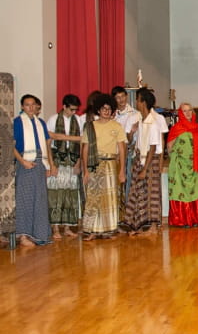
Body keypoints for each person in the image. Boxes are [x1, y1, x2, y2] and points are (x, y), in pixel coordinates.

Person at [80, 93, 127, 240]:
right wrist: (85, 170)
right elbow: (85, 149)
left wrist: (122, 171)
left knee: (110, 199)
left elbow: (122, 149)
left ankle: (108, 230)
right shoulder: (90, 127)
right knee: (93, 198)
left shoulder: (117, 126)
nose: (106, 111)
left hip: (111, 165)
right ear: (98, 110)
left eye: (109, 109)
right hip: (94, 165)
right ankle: (92, 231)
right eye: (103, 109)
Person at [13, 94, 56, 246]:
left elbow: (46, 145)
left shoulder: (41, 123)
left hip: (40, 164)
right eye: (27, 105)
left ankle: (39, 234)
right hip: (25, 164)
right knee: (25, 199)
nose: (31, 107)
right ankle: (23, 236)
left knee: (40, 200)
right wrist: (23, 161)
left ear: (37, 107)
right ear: (22, 107)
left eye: (33, 105)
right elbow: (11, 146)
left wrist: (50, 164)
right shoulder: (18, 122)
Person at [124, 88, 165, 235]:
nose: (136, 102)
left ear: (143, 102)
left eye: (138, 99)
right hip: (139, 158)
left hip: (149, 161)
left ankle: (153, 226)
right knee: (138, 192)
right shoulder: (141, 120)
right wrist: (132, 132)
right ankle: (138, 224)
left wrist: (145, 168)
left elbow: (153, 147)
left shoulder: (153, 122)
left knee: (151, 193)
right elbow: (134, 142)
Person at [46, 94, 84, 238]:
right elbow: (49, 142)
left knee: (70, 194)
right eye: (71, 110)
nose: (74, 113)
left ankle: (68, 227)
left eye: (76, 110)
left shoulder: (78, 121)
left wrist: (79, 162)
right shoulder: (53, 119)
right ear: (64, 107)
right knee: (55, 195)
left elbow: (82, 141)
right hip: (57, 160)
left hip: (73, 160)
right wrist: (51, 164)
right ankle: (55, 229)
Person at [167, 103, 198, 228]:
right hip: (179, 166)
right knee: (179, 191)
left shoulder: (197, 128)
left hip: (194, 165)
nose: (187, 113)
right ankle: (181, 220)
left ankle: (193, 219)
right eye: (184, 111)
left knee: (193, 191)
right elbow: (170, 147)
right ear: (180, 113)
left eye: (189, 110)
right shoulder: (176, 128)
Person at [112, 86, 140, 208]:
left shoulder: (135, 114)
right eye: (118, 97)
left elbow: (131, 139)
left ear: (126, 96)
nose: (121, 99)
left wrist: (131, 134)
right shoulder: (111, 115)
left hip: (128, 153)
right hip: (112, 153)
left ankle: (128, 211)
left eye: (123, 96)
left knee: (128, 181)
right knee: (114, 184)